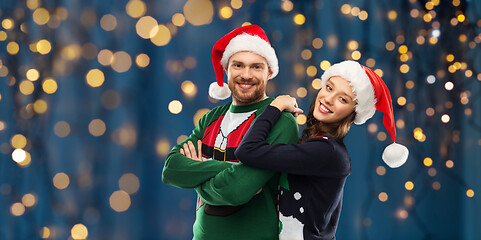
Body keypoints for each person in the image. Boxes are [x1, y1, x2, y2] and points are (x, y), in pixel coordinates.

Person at [234, 60, 409, 239]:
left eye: (343, 99)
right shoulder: (316, 145)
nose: (328, 99)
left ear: (353, 112)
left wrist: (275, 107)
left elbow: (247, 150)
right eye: (329, 88)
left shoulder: (327, 152)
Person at [162, 25, 299, 240]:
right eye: (238, 65)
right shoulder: (212, 118)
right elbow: (171, 170)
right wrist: (233, 169)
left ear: (269, 72)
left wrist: (197, 174)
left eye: (256, 67)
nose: (246, 75)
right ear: (226, 69)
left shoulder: (280, 120)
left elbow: (237, 190)